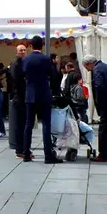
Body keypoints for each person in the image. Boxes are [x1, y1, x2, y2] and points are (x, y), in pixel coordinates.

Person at [23, 36, 62, 164]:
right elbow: (52, 75)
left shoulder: (26, 59)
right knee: (46, 124)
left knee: (28, 124)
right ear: (42, 46)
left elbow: (23, 74)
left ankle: (26, 153)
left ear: (31, 46)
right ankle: (48, 155)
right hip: (44, 94)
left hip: (30, 95)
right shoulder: (46, 59)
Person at [83, 54, 107, 162]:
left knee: (103, 128)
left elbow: (99, 86)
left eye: (86, 68)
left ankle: (103, 154)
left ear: (89, 64)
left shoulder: (97, 69)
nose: (88, 70)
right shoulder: (106, 67)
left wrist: (98, 101)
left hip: (105, 102)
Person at [11, 45, 29, 159]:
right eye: (20, 50)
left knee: (24, 124)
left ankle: (23, 148)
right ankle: (20, 149)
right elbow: (18, 81)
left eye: (24, 50)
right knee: (21, 125)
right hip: (20, 98)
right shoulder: (16, 64)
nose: (22, 52)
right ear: (17, 52)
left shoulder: (23, 63)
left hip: (23, 97)